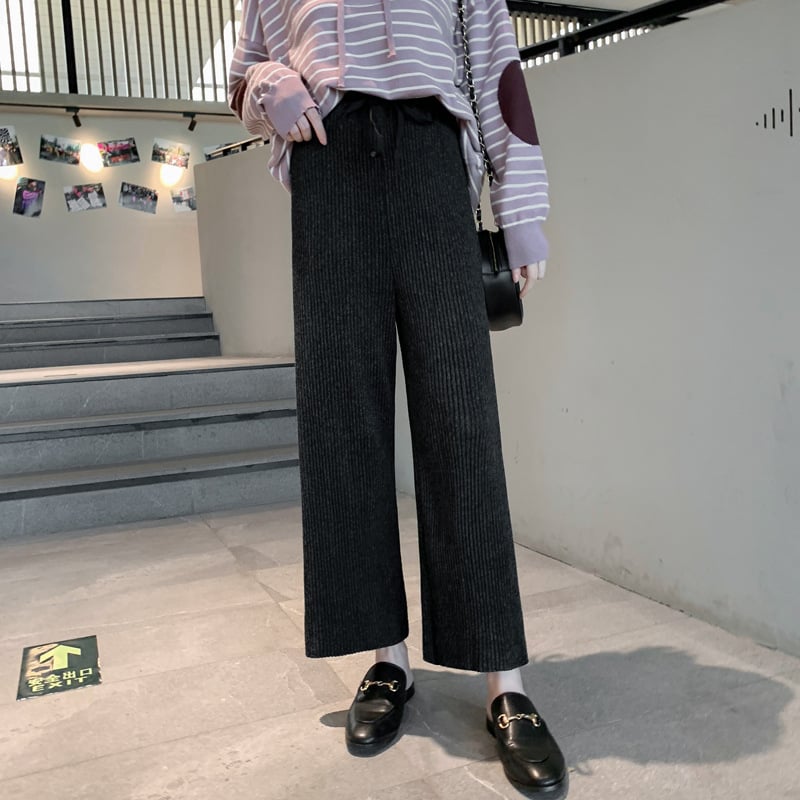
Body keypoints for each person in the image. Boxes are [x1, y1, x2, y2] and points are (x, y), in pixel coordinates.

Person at [228, 0, 566, 793]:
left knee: (462, 417)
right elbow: (241, 75)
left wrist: (521, 213)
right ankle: (386, 659)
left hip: (429, 153)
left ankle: (504, 679)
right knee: (342, 416)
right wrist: (272, 86)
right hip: (327, 157)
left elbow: (497, 71)